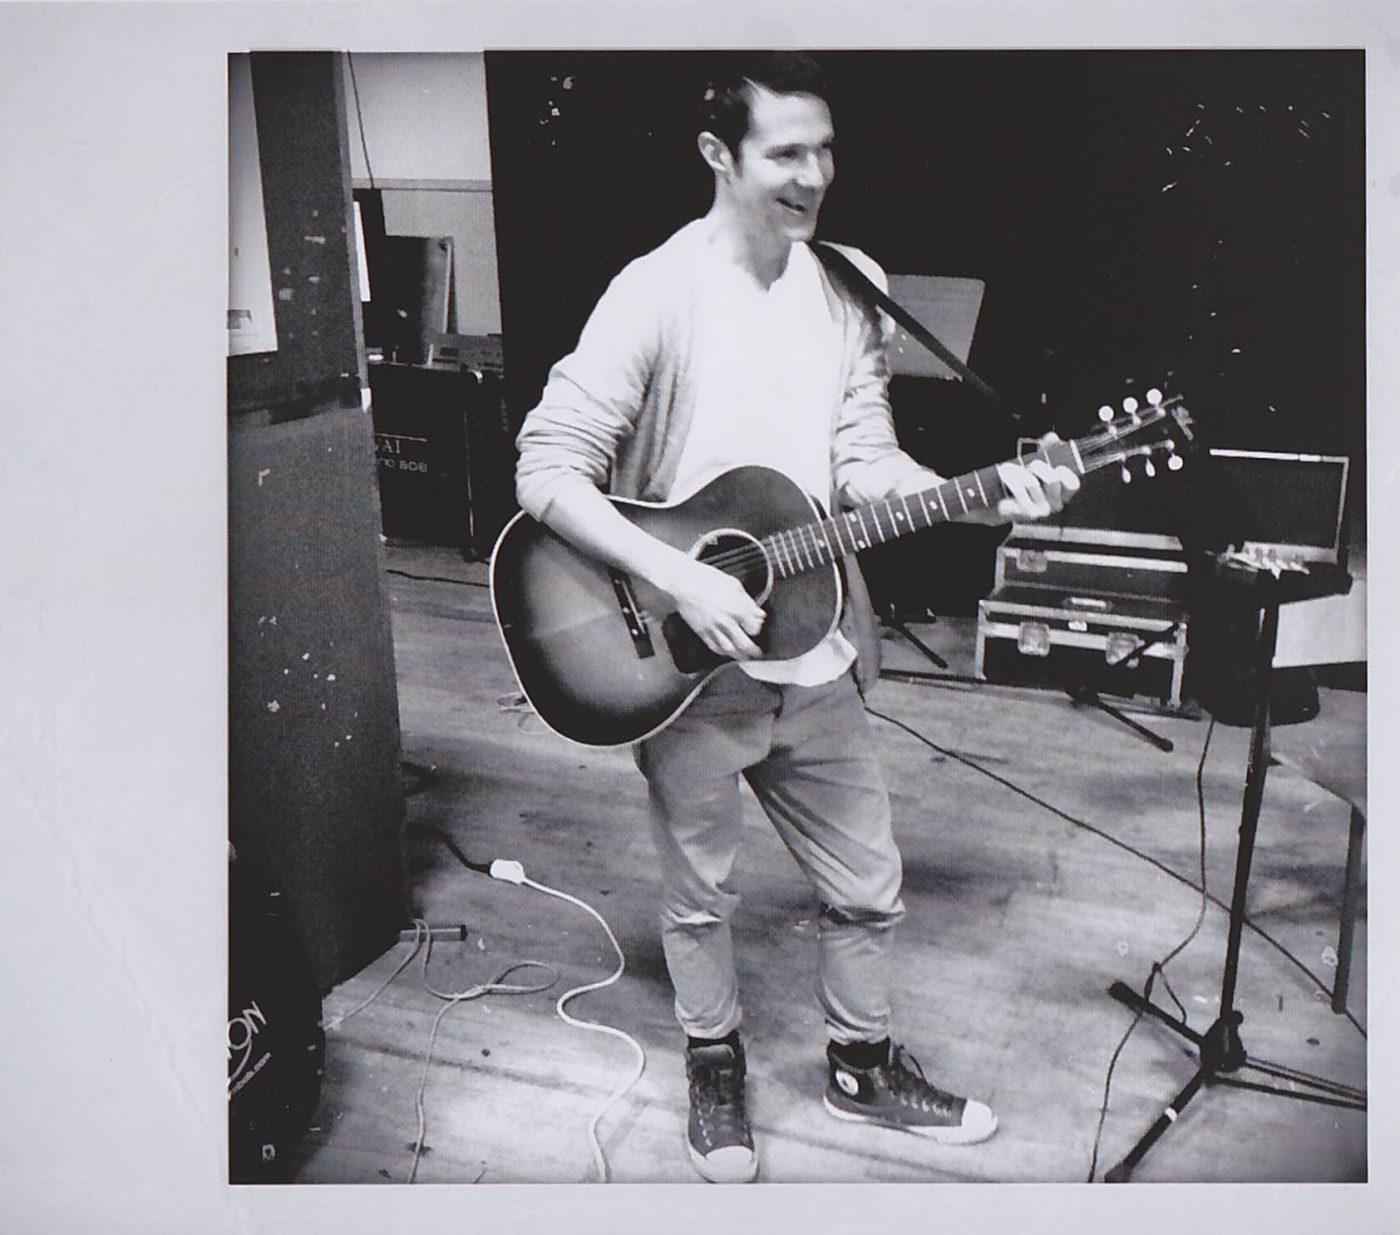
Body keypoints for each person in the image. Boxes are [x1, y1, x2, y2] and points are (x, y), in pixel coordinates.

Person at [513, 52, 1080, 1183]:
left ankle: (860, 1067)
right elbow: (546, 467)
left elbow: (863, 458)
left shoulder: (849, 283)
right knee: (699, 891)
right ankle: (713, 1060)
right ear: (717, 156)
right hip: (682, 657)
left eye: (824, 149)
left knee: (868, 882)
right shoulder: (654, 292)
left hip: (813, 644)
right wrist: (678, 578)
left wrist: (980, 494)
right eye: (785, 152)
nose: (813, 175)